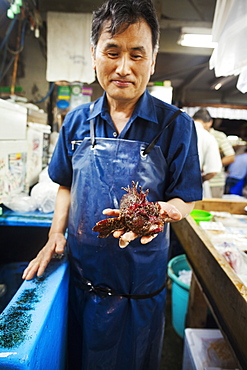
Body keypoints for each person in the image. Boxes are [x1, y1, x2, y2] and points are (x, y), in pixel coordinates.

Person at [22, 0, 202, 368]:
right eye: (112, 51)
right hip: (82, 278)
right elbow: (65, 184)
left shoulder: (176, 125)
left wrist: (169, 211)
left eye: (137, 55)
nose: (123, 67)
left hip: (140, 285)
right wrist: (56, 233)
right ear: (94, 55)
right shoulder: (75, 122)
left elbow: (185, 197)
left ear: (152, 61)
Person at [194, 108, 235, 198]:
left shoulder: (218, 136)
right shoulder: (206, 136)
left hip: (214, 182)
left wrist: (212, 164)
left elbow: (231, 156)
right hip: (201, 179)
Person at [192, 109, 222, 198]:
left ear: (192, 118)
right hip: (192, 186)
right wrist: (200, 180)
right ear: (210, 123)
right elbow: (213, 171)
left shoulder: (177, 131)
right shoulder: (208, 137)